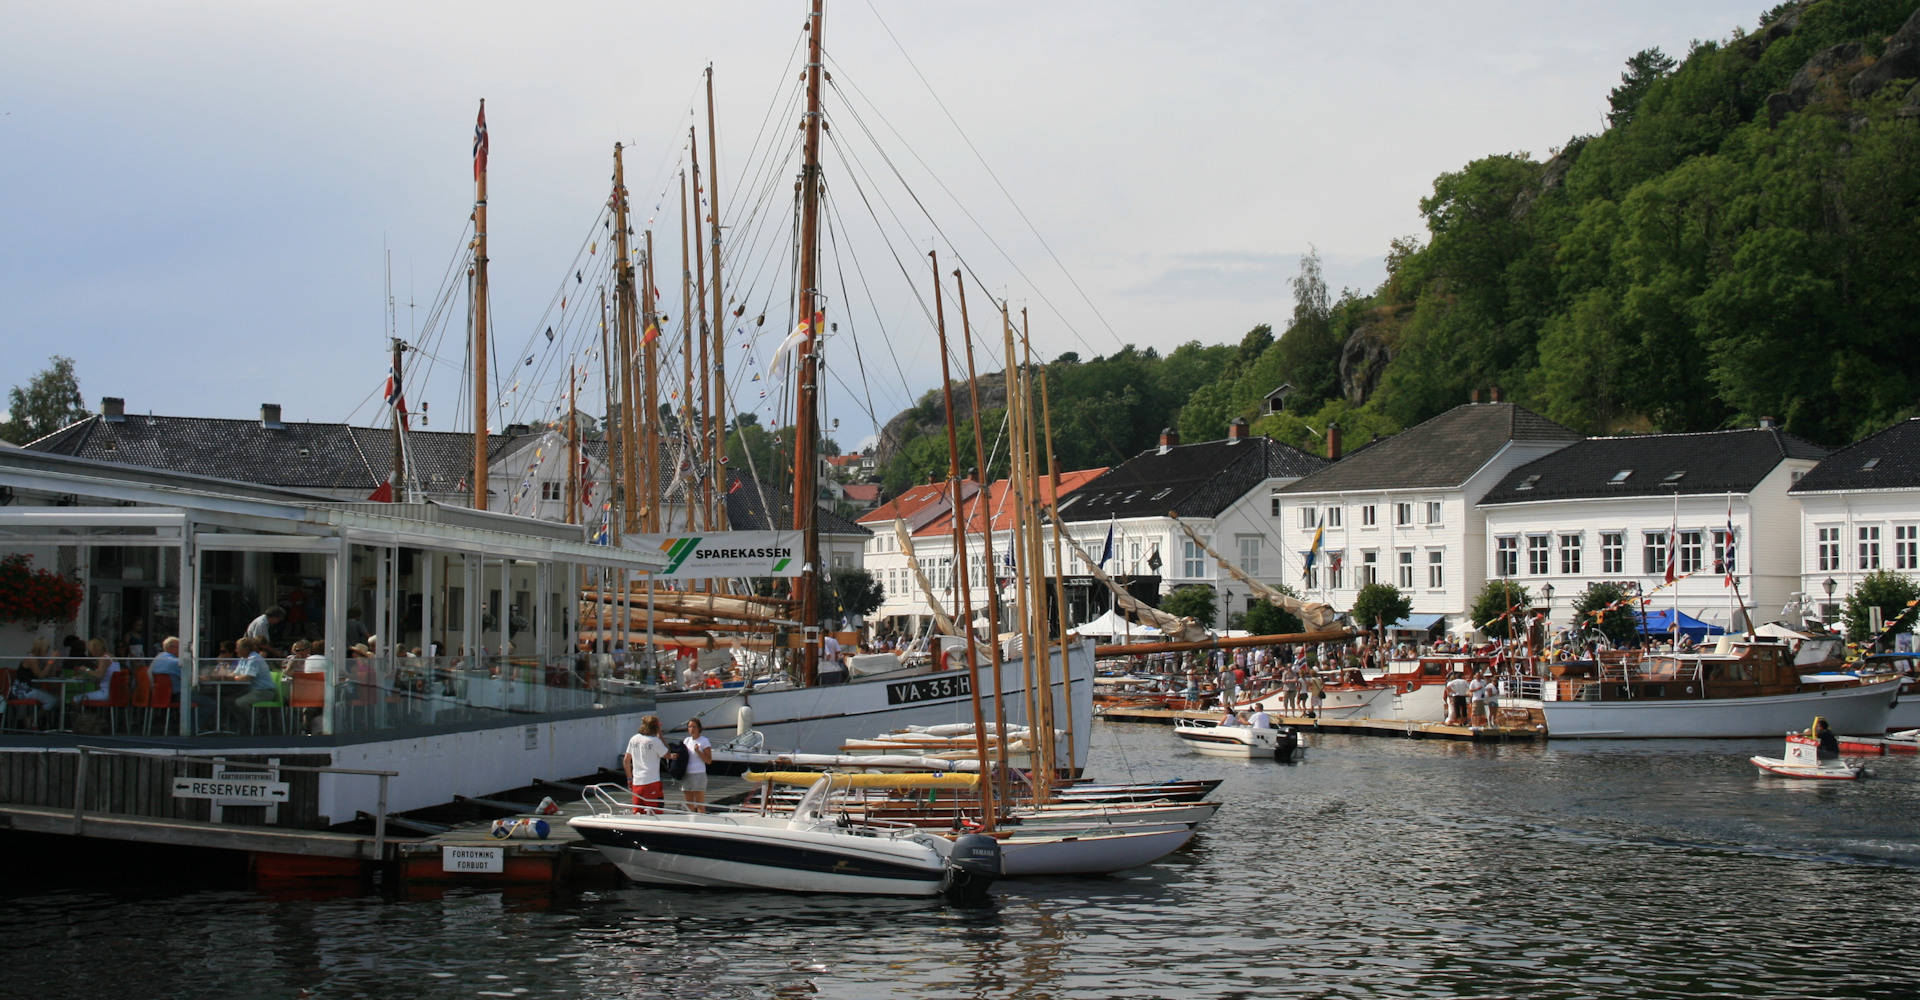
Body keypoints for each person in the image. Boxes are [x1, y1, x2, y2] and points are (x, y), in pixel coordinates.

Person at [623, 715, 670, 814]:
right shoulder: (655, 741)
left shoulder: (634, 739)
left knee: (638, 814)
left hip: (637, 783)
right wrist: (661, 738)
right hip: (651, 782)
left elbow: (626, 760)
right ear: (656, 728)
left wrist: (629, 778)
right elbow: (667, 755)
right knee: (656, 813)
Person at [10, 636, 61, 713]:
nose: (48, 650)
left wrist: (53, 663)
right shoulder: (32, 658)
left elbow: (49, 675)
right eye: (48, 648)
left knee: (58, 700)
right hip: (23, 690)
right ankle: (32, 719)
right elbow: (41, 676)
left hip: (33, 688)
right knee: (53, 701)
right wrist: (50, 662)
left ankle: (37, 719)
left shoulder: (39, 659)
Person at [72, 638, 123, 706]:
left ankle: (81, 716)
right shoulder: (112, 657)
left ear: (95, 649)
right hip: (116, 693)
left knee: (75, 699)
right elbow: (106, 675)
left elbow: (99, 676)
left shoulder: (103, 659)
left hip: (106, 693)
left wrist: (85, 669)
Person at [680, 718, 714, 813]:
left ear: (699, 728)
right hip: (687, 773)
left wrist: (698, 751)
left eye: (694, 727)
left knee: (700, 803)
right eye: (690, 727)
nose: (692, 729)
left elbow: (708, 760)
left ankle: (701, 821)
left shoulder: (704, 741)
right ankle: (691, 821)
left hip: (698, 773)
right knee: (689, 803)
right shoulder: (686, 741)